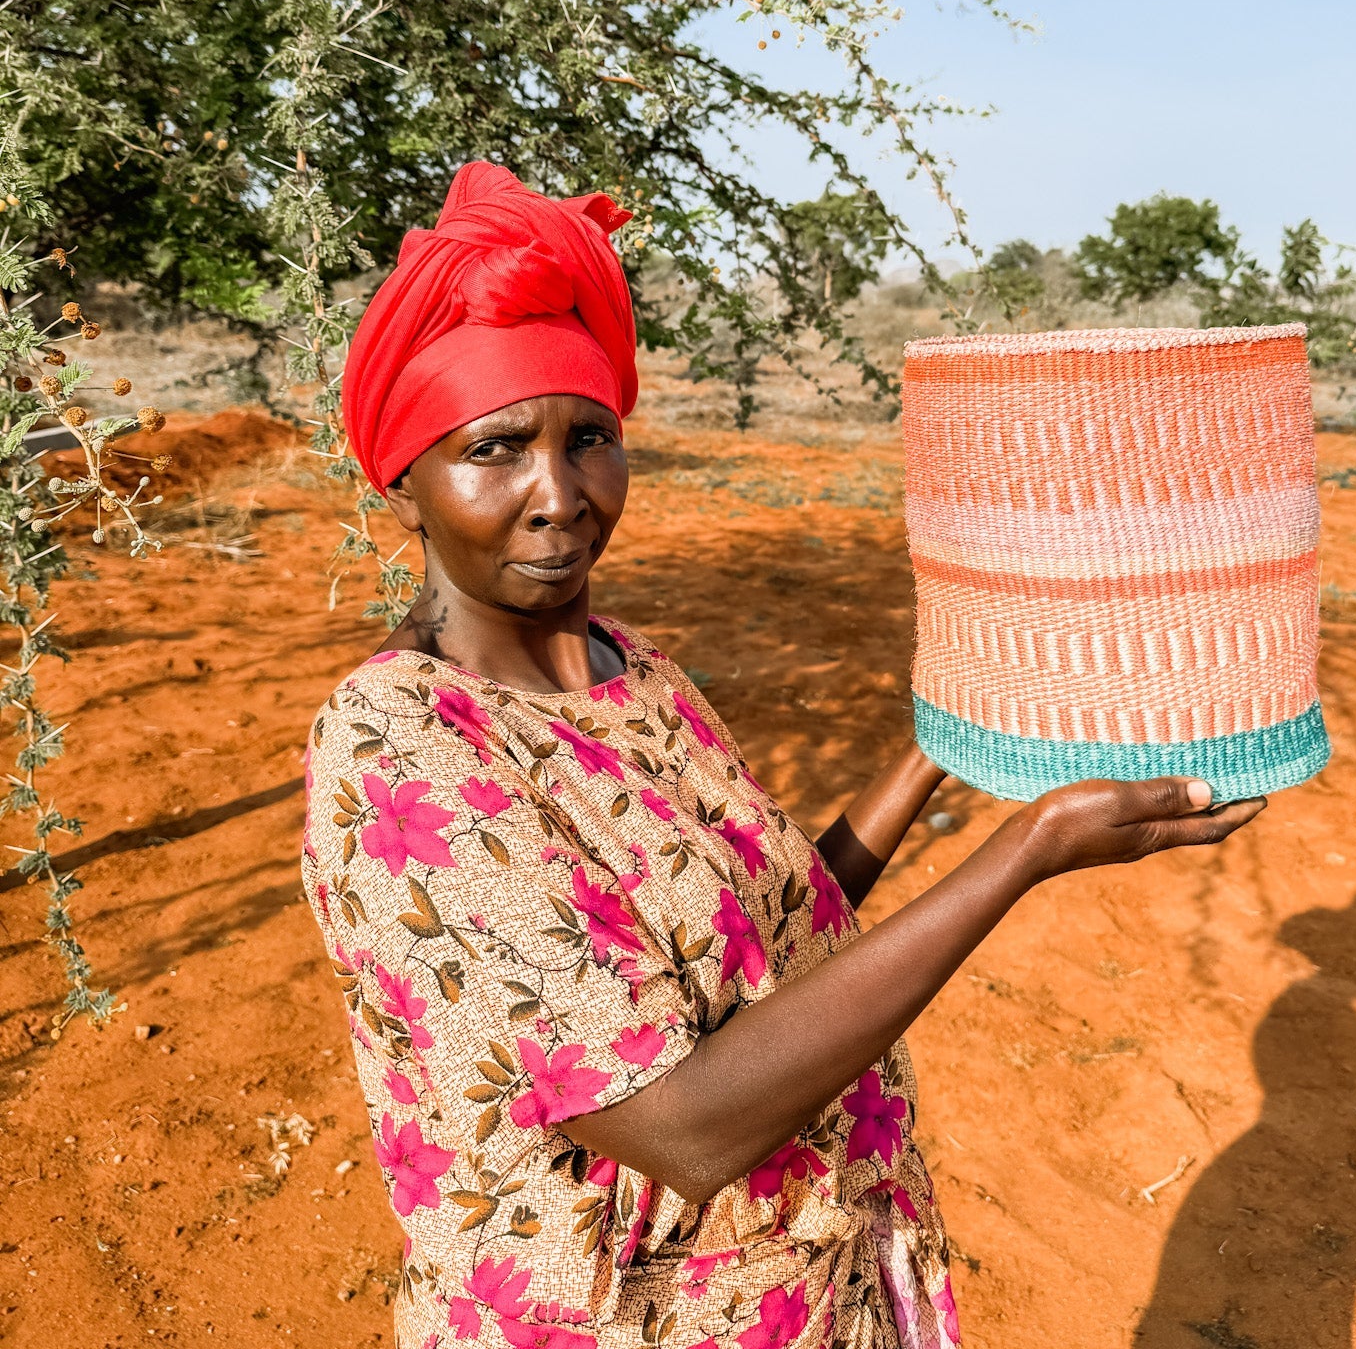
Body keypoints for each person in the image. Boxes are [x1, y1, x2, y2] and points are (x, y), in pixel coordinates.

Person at [302, 162, 1265, 1349]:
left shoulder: (624, 665)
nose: (558, 494)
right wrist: (1026, 852)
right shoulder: (406, 748)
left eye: (589, 439)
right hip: (632, 1321)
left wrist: (932, 751)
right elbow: (680, 1124)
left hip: (808, 1282)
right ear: (404, 486)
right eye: (495, 449)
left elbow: (770, 933)